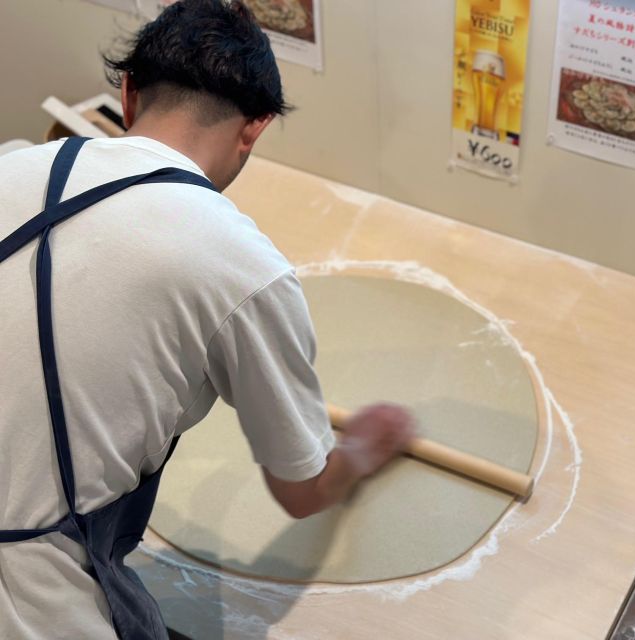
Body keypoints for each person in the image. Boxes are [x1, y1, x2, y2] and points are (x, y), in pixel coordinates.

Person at [0, 1, 414, 638]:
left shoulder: (10, 164)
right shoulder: (240, 267)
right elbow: (302, 490)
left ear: (130, 92)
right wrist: (361, 449)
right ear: (254, 128)